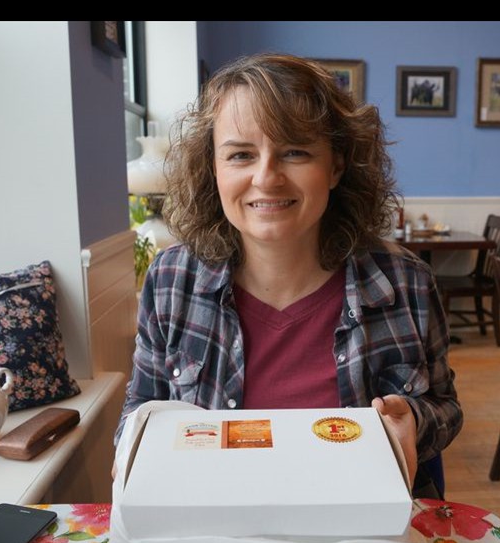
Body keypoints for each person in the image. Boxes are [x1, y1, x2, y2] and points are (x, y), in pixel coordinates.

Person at [115, 54, 462, 497]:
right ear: (213, 168)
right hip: (212, 516)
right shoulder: (170, 281)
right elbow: (142, 405)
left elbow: (444, 407)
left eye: (295, 152)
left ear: (336, 166)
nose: (267, 178)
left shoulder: (406, 283)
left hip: (360, 521)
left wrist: (414, 420)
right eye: (241, 155)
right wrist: (132, 449)